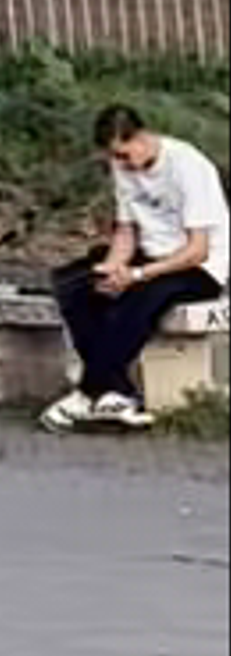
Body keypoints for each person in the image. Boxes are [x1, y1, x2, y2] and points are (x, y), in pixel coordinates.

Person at [44, 103, 230, 427]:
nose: (121, 165)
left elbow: (198, 249)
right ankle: (115, 393)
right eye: (114, 157)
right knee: (76, 286)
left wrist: (137, 275)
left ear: (142, 138)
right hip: (149, 254)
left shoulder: (188, 166)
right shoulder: (123, 168)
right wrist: (114, 268)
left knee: (139, 300)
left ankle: (87, 393)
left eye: (124, 155)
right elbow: (126, 230)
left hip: (198, 265)